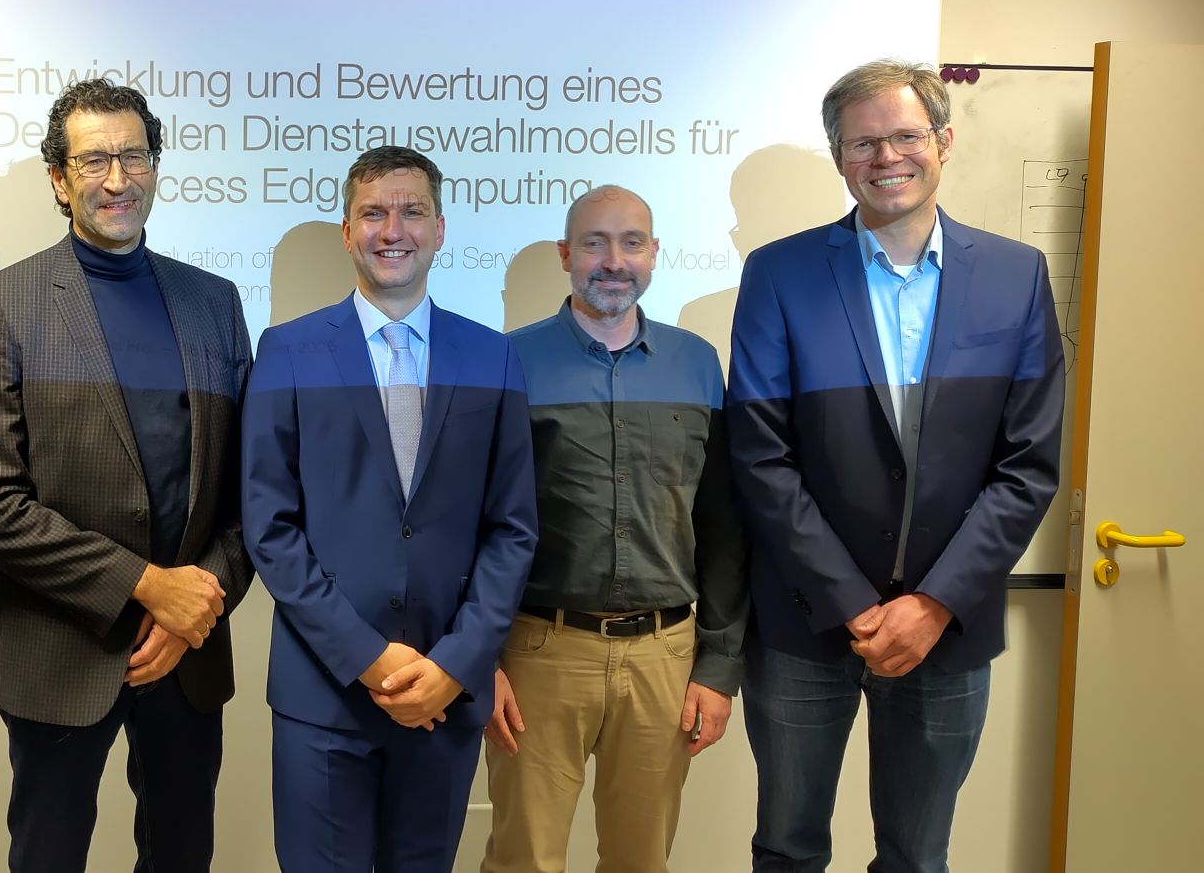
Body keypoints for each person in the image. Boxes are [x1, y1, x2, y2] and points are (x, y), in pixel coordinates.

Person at [729, 59, 1065, 872]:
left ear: (943, 141)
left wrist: (934, 602)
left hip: (948, 625)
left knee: (918, 856)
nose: (887, 156)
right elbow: (761, 454)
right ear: (840, 158)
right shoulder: (779, 273)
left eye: (906, 135)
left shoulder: (1016, 275)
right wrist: (853, 603)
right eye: (863, 142)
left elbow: (1029, 464)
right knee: (788, 849)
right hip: (805, 620)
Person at [0, 78, 253, 873]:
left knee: (181, 856)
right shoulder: (5, 302)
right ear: (60, 179)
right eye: (94, 160)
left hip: (187, 654)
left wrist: (194, 605)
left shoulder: (215, 303)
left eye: (133, 155)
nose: (117, 178)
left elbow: (249, 494)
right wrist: (148, 586)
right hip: (60, 651)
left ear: (155, 165)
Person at [243, 145, 538, 873]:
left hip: (445, 693)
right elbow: (269, 526)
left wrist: (458, 664)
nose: (393, 230)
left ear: (440, 229)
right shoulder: (286, 351)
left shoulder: (492, 356)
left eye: (412, 212)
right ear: (347, 231)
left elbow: (512, 528)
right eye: (373, 213)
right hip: (324, 693)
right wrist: (368, 658)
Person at [483, 184, 749, 873]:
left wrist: (719, 668)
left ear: (654, 252)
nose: (613, 261)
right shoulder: (505, 362)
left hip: (666, 657)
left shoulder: (698, 363)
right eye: (594, 243)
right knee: (522, 861)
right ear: (566, 255)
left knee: (641, 862)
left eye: (631, 243)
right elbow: (471, 523)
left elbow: (723, 525)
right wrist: (479, 661)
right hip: (539, 653)